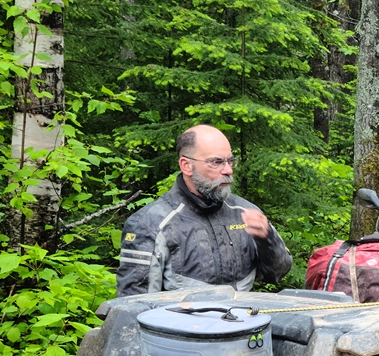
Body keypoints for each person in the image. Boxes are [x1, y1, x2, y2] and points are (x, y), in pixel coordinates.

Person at [117, 124, 292, 296]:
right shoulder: (150, 224)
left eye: (230, 161)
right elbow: (135, 305)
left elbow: (277, 274)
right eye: (216, 162)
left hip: (243, 320)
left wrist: (268, 239)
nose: (228, 170)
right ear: (186, 165)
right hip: (181, 323)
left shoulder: (245, 212)